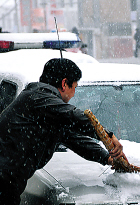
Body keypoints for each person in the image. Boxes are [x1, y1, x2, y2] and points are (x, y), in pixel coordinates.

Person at [0, 58, 127, 204]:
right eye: (75, 87)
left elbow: (75, 139)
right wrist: (109, 136)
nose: (73, 94)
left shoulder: (46, 108)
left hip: (9, 183)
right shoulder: (38, 97)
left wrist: (108, 158)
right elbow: (73, 116)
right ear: (64, 83)